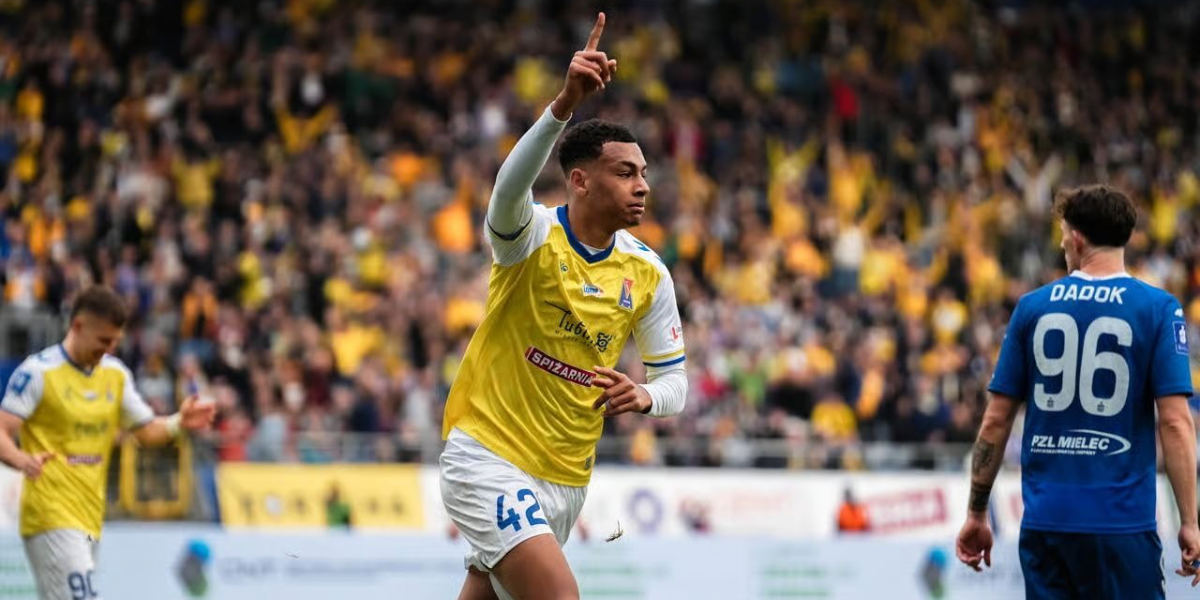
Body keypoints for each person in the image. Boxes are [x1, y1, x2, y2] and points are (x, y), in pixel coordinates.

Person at [438, 12, 688, 600]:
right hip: (488, 455)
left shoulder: (649, 274)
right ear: (579, 181)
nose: (643, 186)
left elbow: (674, 383)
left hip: (565, 480)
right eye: (625, 173)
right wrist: (563, 105)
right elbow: (506, 191)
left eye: (644, 173)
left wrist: (645, 395)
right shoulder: (528, 238)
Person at [955, 185, 1199, 598]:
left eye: (1063, 233)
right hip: (1122, 525)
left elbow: (996, 420)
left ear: (1078, 238)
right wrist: (1190, 521)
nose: (1062, 243)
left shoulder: (1032, 307)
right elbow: (1175, 422)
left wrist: (977, 511)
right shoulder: (1159, 309)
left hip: (1047, 525)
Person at [0, 285, 216, 600]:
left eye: (115, 340)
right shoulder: (38, 373)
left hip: (89, 516)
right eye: (103, 340)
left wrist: (178, 423)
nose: (109, 348)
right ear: (78, 326)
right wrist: (22, 459)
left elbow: (145, 430)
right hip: (50, 515)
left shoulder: (115, 375)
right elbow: (2, 429)